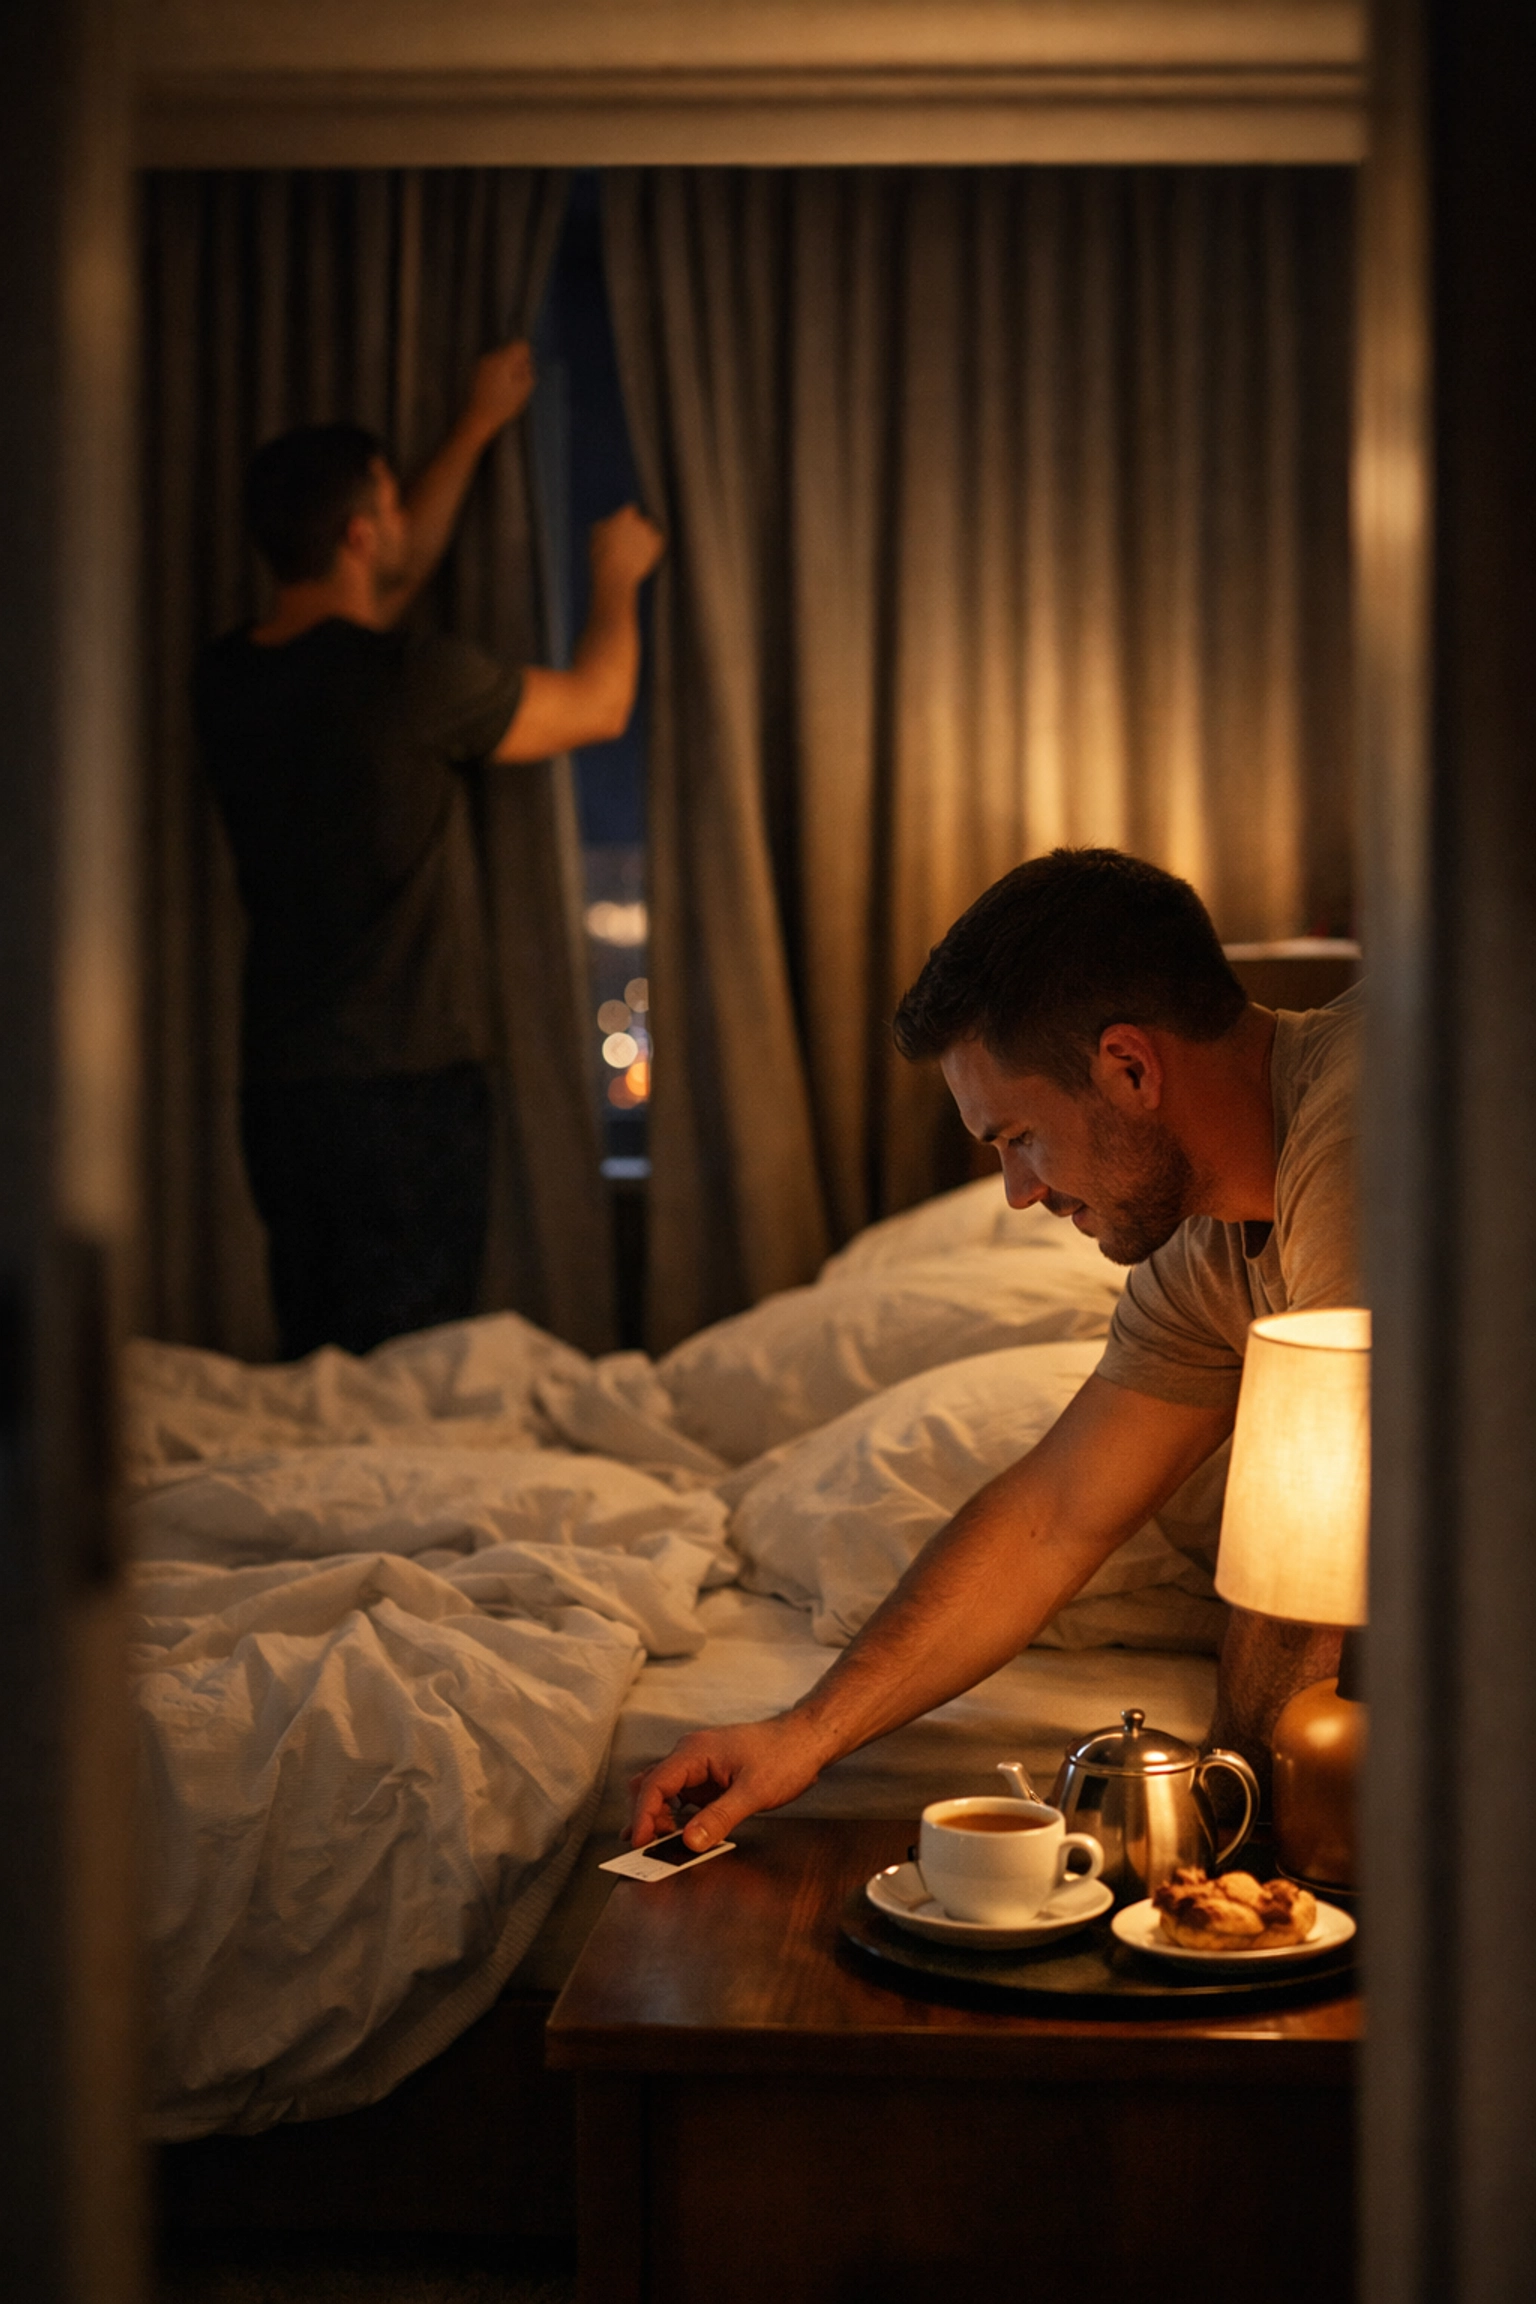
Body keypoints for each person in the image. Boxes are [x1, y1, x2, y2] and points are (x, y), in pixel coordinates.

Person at [628, 846, 1358, 1850]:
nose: (1019, 1193)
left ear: (1131, 1067)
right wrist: (801, 1734)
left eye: (1019, 1138)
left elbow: (1337, 1540)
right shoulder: (1210, 1248)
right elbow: (1053, 1514)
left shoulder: (1360, 1137)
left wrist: (1227, 1850)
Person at [196, 341, 664, 1359]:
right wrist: (617, 579)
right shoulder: (407, 677)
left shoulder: (228, 679)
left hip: (279, 1080)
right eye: (391, 508)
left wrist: (474, 427)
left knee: (317, 1354)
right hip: (407, 1084)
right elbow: (600, 703)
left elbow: (374, 597)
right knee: (410, 1360)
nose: (408, 521)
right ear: (363, 532)